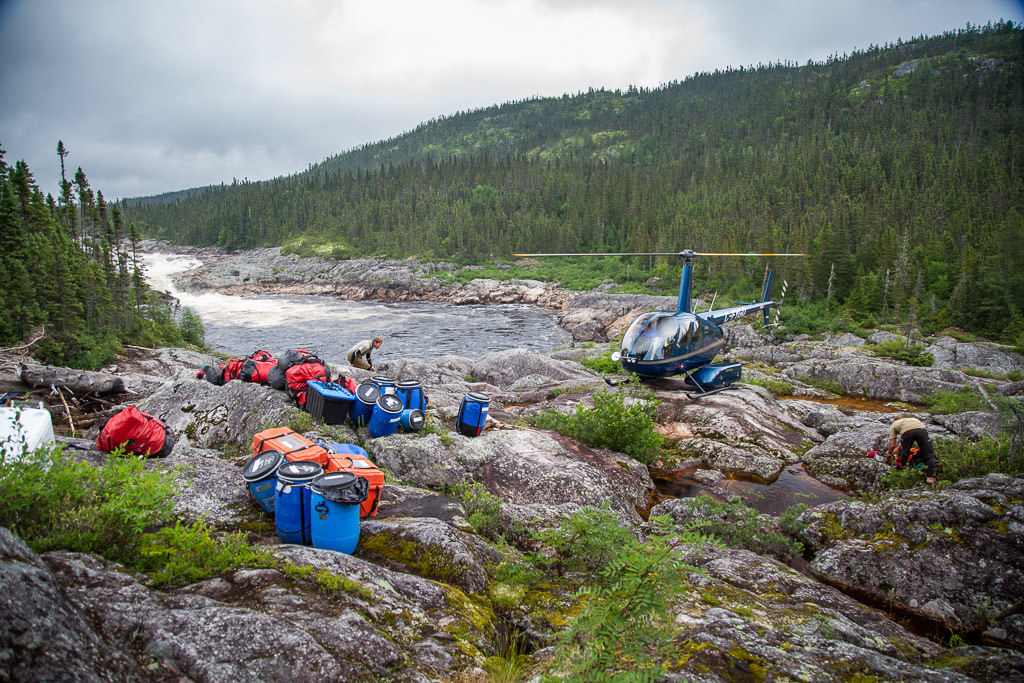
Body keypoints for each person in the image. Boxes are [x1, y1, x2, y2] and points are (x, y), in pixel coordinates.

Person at [886, 415, 937, 484]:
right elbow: (913, 431)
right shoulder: (912, 419)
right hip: (921, 430)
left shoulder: (894, 424)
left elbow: (892, 445)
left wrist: (889, 452)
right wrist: (897, 448)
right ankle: (930, 477)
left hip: (907, 433)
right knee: (930, 455)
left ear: (894, 421)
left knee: (904, 453)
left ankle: (902, 472)